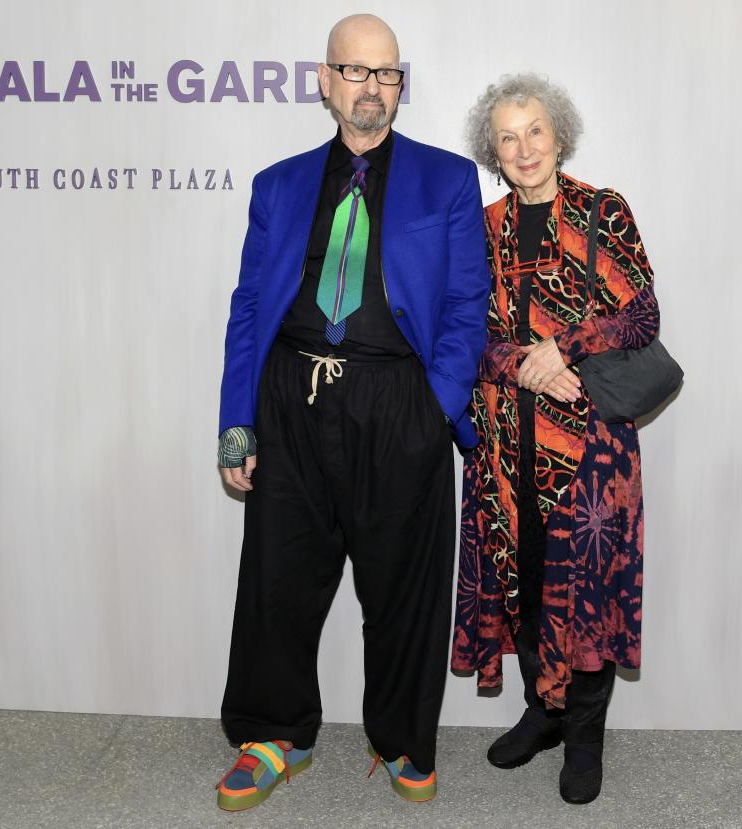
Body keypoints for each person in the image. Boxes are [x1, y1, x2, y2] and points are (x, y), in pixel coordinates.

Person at [214, 13, 489, 812]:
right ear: (326, 81)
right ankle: (273, 734)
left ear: (402, 86)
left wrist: (433, 409)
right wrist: (238, 418)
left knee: (403, 583)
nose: (373, 89)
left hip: (397, 397)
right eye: (357, 72)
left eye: (388, 74)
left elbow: (470, 304)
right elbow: (247, 309)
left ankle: (402, 736)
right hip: (292, 399)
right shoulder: (278, 184)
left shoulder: (448, 180)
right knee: (279, 575)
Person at [450, 73, 660, 805]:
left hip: (592, 453)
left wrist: (563, 347)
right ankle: (544, 711)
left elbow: (641, 317)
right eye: (507, 137)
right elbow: (465, 339)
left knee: (589, 595)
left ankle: (584, 735)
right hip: (507, 453)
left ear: (559, 135)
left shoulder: (603, 211)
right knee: (526, 583)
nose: (524, 147)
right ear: (494, 152)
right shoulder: (481, 228)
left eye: (534, 130)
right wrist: (525, 366)